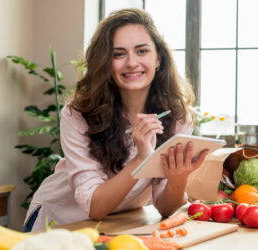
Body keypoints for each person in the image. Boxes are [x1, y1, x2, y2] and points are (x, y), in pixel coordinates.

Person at [23, 8, 209, 232]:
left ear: (158, 58)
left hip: (116, 226)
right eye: (118, 54)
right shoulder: (78, 113)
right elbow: (94, 207)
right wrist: (141, 158)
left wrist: (178, 179)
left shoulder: (177, 117)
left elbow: (167, 209)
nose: (131, 63)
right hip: (60, 223)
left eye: (142, 51)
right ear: (105, 63)